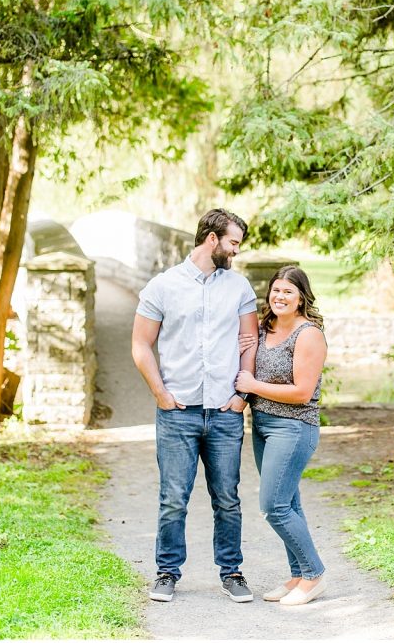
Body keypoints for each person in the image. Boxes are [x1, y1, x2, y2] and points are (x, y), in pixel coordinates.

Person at [131, 208, 259, 603]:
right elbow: (140, 344)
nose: (236, 251)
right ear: (212, 239)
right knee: (173, 498)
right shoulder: (163, 286)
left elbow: (249, 342)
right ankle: (167, 573)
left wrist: (242, 397)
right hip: (178, 413)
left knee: (227, 498)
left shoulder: (239, 287)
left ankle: (232, 572)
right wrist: (160, 394)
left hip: (224, 412)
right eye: (233, 243)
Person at [234, 265, 329, 606]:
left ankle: (314, 574)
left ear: (301, 296)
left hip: (294, 428)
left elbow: (303, 392)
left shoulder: (308, 335)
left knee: (274, 506)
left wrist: (253, 386)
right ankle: (298, 576)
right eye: (276, 290)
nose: (280, 296)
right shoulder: (264, 328)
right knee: (289, 503)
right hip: (262, 426)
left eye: (288, 291)